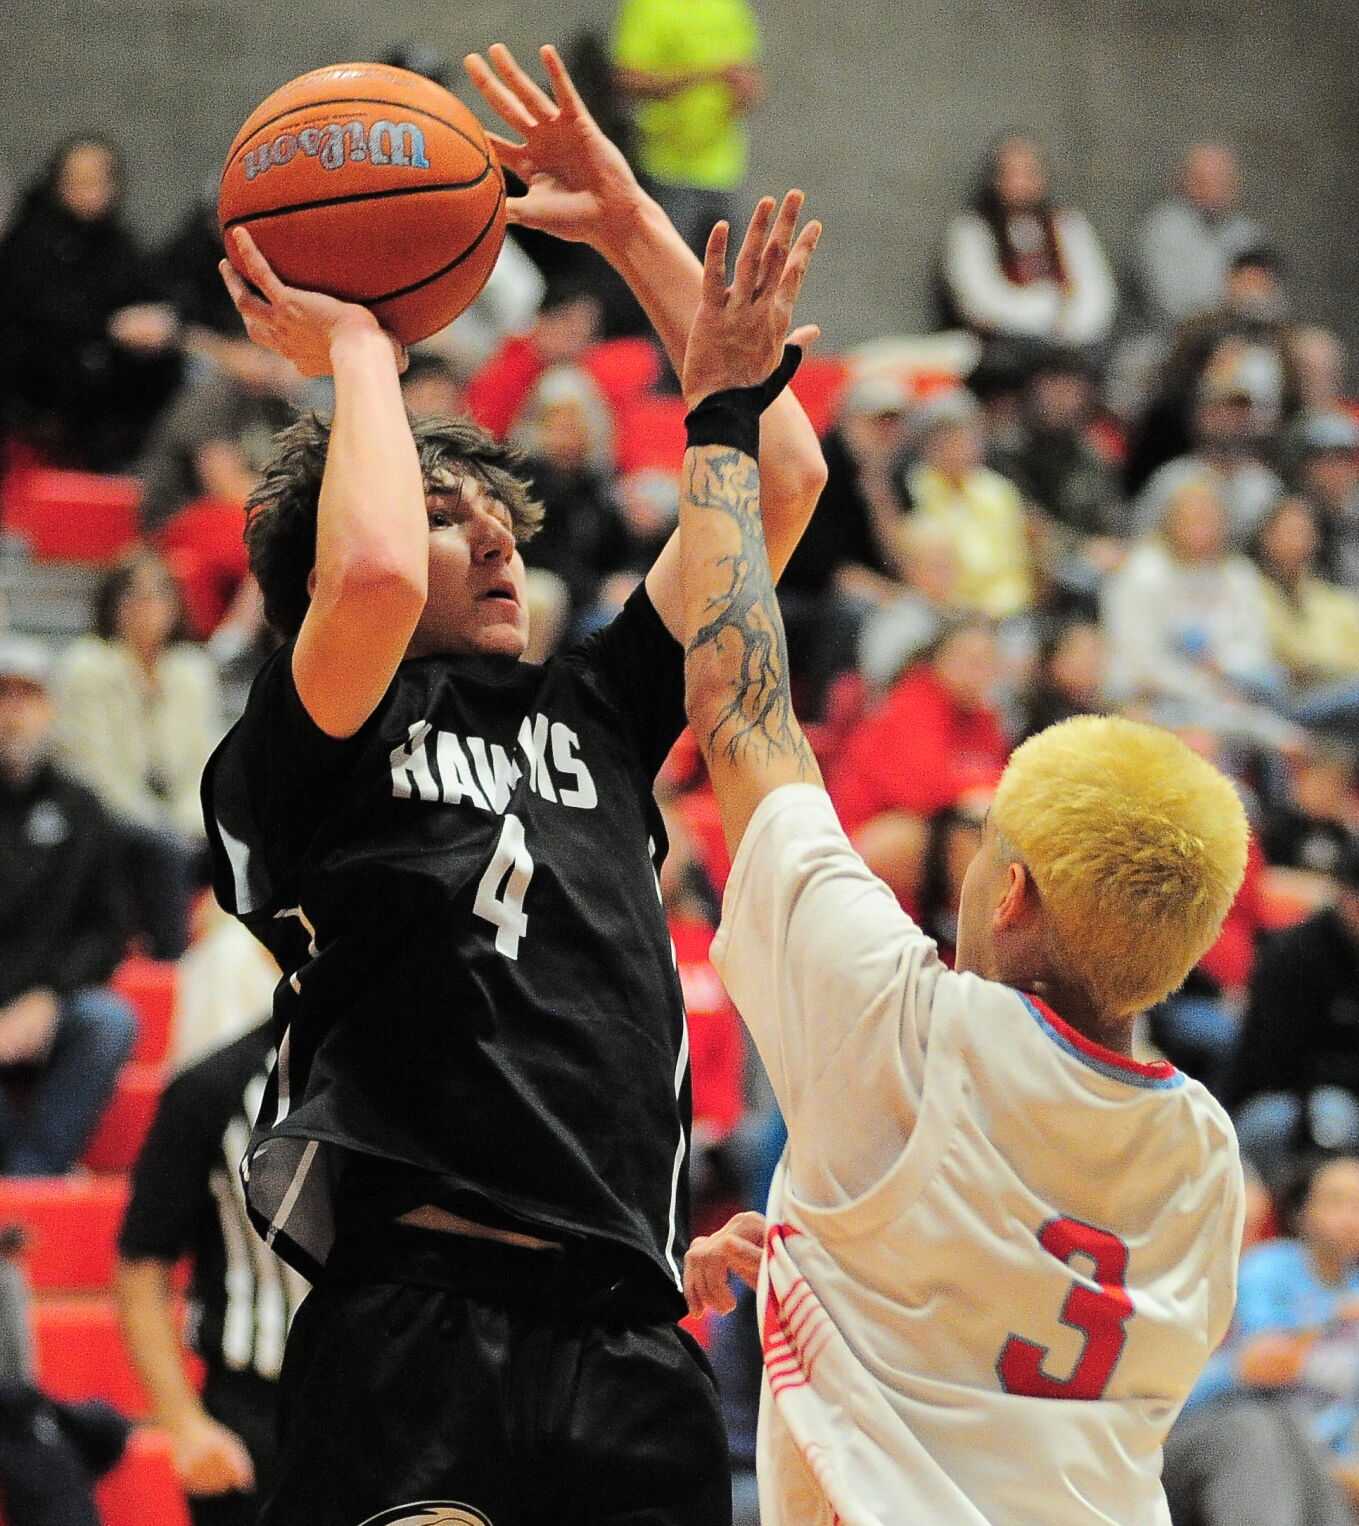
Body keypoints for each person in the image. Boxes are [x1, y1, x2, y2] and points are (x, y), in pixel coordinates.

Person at [202, 42, 824, 1526]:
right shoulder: (311, 738)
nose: (494, 543)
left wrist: (623, 224)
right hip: (415, 1307)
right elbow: (354, 574)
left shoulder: (596, 709)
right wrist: (360, 341)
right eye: (444, 516)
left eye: (500, 521)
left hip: (625, 1323)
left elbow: (775, 473)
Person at [673, 203, 1250, 1523]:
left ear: (1007, 891)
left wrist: (715, 416)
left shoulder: (897, 1025)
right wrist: (836, 1246)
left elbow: (741, 715)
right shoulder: (1202, 1154)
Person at [115, 1021, 303, 1526]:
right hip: (256, 1408)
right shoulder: (214, 1087)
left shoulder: (430, 1083)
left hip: (401, 1405)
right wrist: (184, 1423)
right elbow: (140, 1267)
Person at [0, 634, 136, 1176]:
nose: (13, 713)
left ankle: (32, 1177)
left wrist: (48, 998)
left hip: (50, 1002)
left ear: (50, 709)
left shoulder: (83, 809)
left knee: (110, 1020)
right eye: (2, 696)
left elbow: (108, 930)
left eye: (27, 697)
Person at [53, 550, 221, 961]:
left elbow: (206, 765)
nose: (149, 607)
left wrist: (188, 825)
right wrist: (165, 829)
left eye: (159, 594)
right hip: (109, 820)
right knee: (162, 850)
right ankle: (171, 966)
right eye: (135, 595)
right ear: (113, 605)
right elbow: (93, 774)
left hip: (183, 822)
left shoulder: (192, 671)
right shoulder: (86, 667)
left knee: (248, 843)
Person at [0, 136, 182, 471]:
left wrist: (159, 320)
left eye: (99, 180)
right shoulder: (31, 241)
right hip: (41, 386)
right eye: (80, 181)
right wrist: (109, 327)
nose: (91, 190)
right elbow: (37, 311)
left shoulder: (119, 243)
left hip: (112, 392)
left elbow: (156, 291)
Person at [1224, 834, 1359, 1182]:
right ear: (1346, 897)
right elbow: (1274, 1063)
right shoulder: (1294, 956)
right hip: (1281, 1101)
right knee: (1332, 1113)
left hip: (1342, 1088)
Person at [939, 136, 1118, 361]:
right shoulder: (972, 231)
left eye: (1029, 173)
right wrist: (1048, 309)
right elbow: (980, 304)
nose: (1022, 183)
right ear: (995, 179)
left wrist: (1071, 328)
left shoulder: (1067, 225)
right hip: (1008, 348)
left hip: (1073, 347)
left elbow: (1097, 293)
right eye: (1013, 173)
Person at [611, 0, 763, 254]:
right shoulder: (649, 7)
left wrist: (743, 91)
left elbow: (749, 76)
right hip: (666, 168)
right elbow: (629, 79)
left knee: (726, 278)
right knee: (669, 270)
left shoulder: (728, 7)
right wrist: (703, 75)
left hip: (723, 170)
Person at [1137, 142, 1268, 332]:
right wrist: (1231, 295)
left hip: (1241, 341)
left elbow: (1272, 302)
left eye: (1220, 179)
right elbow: (1170, 304)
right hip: (1174, 344)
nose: (1212, 187)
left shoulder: (1248, 235)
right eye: (1202, 180)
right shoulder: (1162, 229)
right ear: (1182, 181)